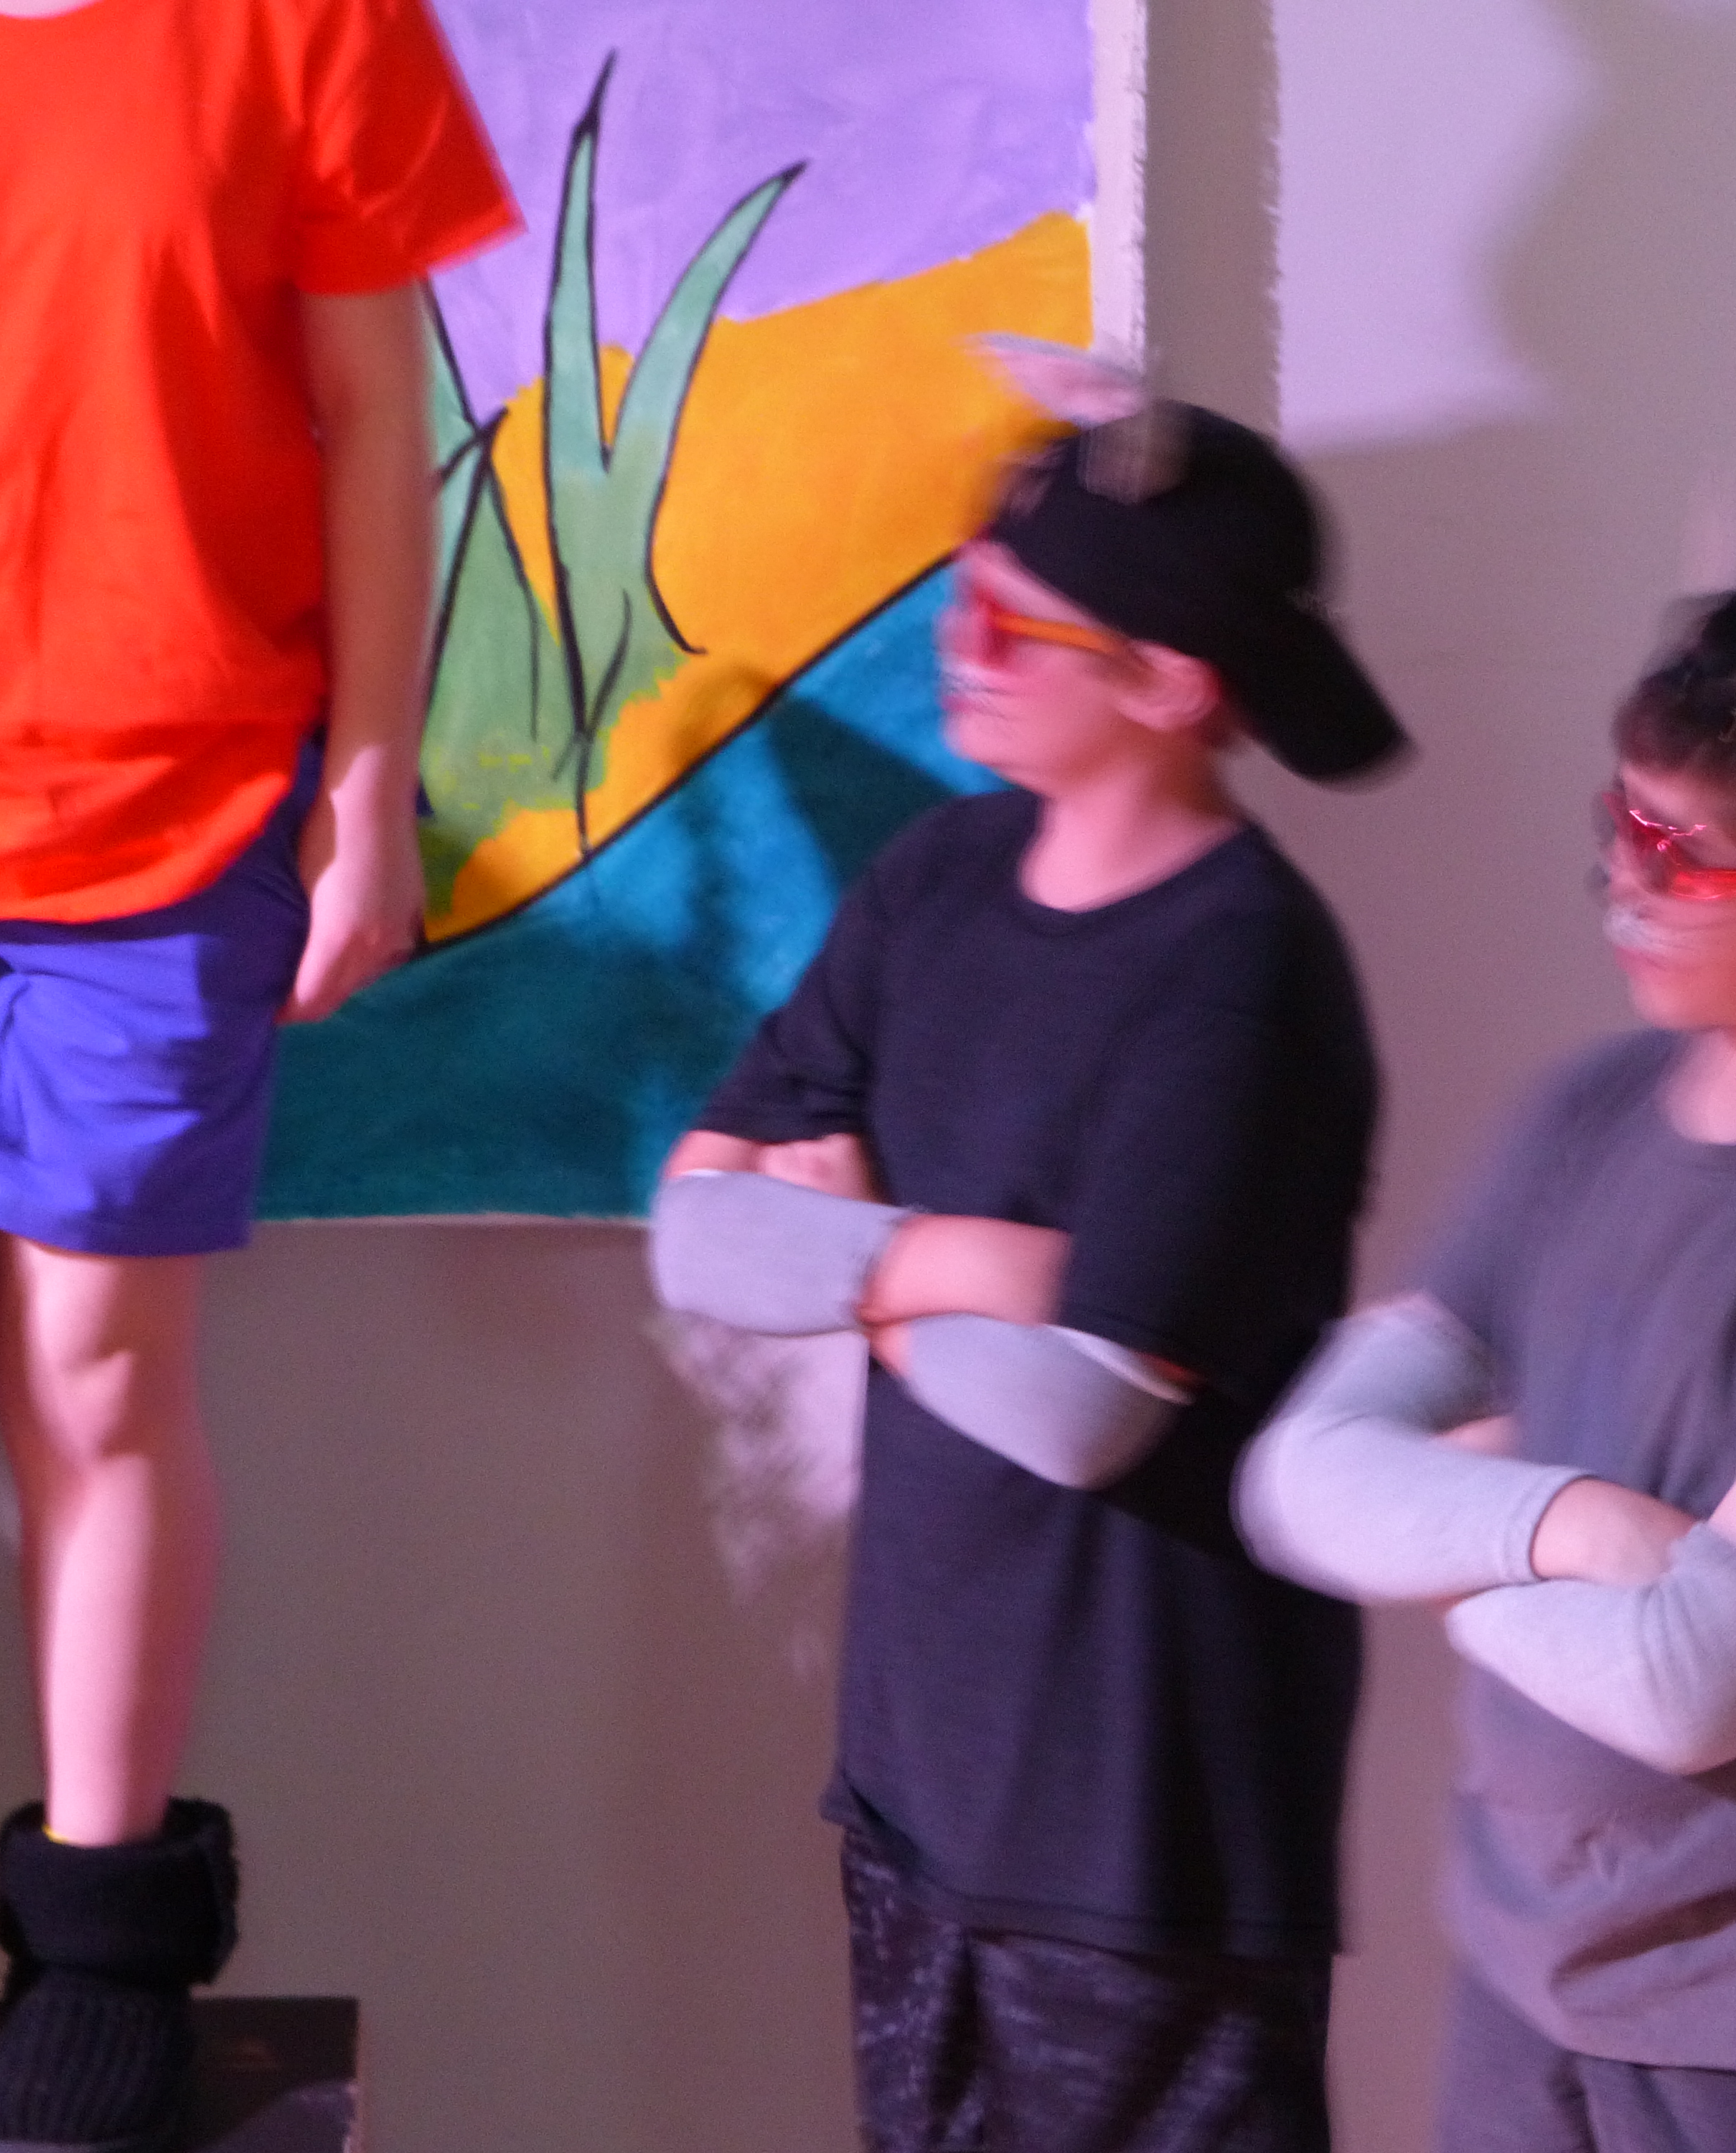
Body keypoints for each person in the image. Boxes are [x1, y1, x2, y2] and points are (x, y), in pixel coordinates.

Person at [0, 3, 512, 2148]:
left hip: (172, 814)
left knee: (94, 1373)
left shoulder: (310, 26)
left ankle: (102, 1939)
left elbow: (373, 418)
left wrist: (368, 783)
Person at [648, 370, 1404, 2153]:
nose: (958, 643)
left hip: (1142, 1831)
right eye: (963, 591)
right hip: (917, 1785)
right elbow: (696, 1229)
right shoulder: (938, 877)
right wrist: (967, 1263)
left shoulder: (1240, 975)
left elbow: (1080, 1418)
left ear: (1168, 683)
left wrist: (853, 1264)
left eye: (1013, 622)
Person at [1234, 502, 1736, 2153]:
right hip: (1525, 1973)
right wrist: (1588, 1528)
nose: (1622, 883)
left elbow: (1693, 1685)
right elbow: (1295, 1480)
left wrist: (1447, 1538)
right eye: (1620, 824)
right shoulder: (1583, 1113)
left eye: (1680, 857)